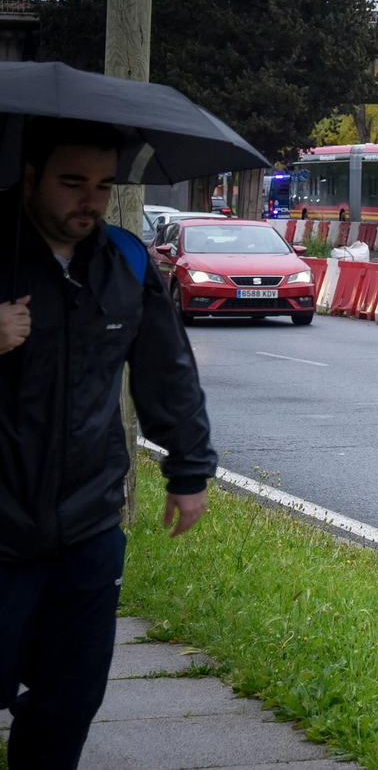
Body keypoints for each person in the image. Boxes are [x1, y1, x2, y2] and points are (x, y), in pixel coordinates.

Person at [0, 117, 217, 770]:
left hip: (90, 526)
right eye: (71, 182)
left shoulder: (124, 261)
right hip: (0, 530)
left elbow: (166, 370)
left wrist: (189, 470)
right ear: (31, 176)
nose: (88, 200)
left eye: (102, 184)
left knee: (68, 702)